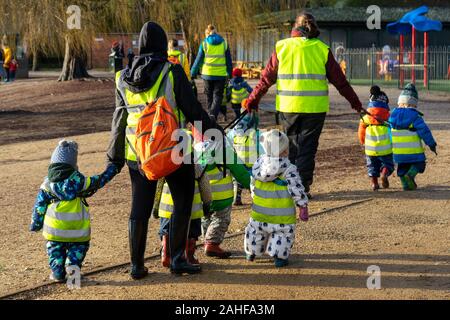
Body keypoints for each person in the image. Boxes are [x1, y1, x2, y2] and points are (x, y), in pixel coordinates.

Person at [107, 21, 221, 278]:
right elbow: (193, 111)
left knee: (140, 206)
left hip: (138, 153)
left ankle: (136, 266)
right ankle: (178, 258)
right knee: (182, 200)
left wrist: (113, 158)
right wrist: (215, 131)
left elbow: (118, 120)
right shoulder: (172, 71)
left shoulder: (121, 78)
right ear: (161, 44)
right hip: (174, 149)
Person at [243, 12, 362, 197]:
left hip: (287, 107)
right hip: (315, 108)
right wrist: (356, 103)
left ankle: (287, 184)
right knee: (308, 148)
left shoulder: (282, 47)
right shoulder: (322, 49)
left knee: (288, 147)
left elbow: (266, 79)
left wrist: (253, 99)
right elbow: (340, 82)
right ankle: (302, 187)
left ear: (295, 27)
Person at [30, 140, 118, 282]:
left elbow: (39, 207)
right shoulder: (80, 182)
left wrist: (36, 224)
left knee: (55, 251)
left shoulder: (47, 185)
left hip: (54, 230)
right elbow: (99, 181)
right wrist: (112, 169)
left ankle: (58, 274)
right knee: (77, 251)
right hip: (78, 231)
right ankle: (73, 275)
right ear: (72, 165)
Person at [245, 129, 309, 268]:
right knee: (283, 236)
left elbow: (253, 183)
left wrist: (254, 195)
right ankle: (279, 257)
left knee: (255, 231)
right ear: (285, 151)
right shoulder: (289, 169)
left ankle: (252, 251)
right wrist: (302, 205)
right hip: (282, 216)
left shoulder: (259, 164)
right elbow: (296, 188)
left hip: (259, 211)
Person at [195, 139, 251, 258]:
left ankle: (207, 239)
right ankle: (212, 243)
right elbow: (241, 173)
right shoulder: (225, 151)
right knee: (221, 219)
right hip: (222, 196)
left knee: (206, 217)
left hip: (202, 196)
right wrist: (252, 185)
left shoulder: (195, 149)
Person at [158, 163, 211, 267]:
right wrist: (207, 204)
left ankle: (166, 253)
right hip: (192, 209)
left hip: (166, 209)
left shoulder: (165, 165)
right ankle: (189, 256)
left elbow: (158, 188)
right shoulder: (196, 167)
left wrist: (156, 208)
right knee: (191, 232)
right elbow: (205, 188)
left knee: (166, 231)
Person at [389, 83, 437, 191]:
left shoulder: (392, 116)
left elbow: (389, 132)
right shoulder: (415, 116)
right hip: (414, 151)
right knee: (420, 165)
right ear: (413, 104)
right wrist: (431, 144)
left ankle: (406, 185)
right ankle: (410, 175)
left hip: (398, 151)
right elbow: (425, 131)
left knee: (402, 168)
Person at [191, 25, 233, 120]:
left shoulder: (204, 43)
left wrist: (192, 73)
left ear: (208, 33)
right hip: (220, 75)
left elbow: (198, 60)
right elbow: (228, 61)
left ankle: (211, 116)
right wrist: (230, 74)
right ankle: (213, 115)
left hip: (207, 75)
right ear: (216, 32)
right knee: (218, 97)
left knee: (209, 96)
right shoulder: (224, 43)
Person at [358, 86, 394, 191]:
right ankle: (384, 173)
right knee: (387, 164)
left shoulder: (366, 118)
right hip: (386, 147)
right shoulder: (388, 117)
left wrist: (362, 141)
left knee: (372, 166)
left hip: (370, 148)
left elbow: (361, 131)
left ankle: (374, 183)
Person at [228, 111, 261, 205]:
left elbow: (229, 143)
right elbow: (260, 147)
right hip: (252, 161)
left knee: (238, 180)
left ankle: (237, 198)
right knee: (254, 181)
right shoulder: (254, 133)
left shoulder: (233, 132)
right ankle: (256, 199)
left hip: (239, 160)